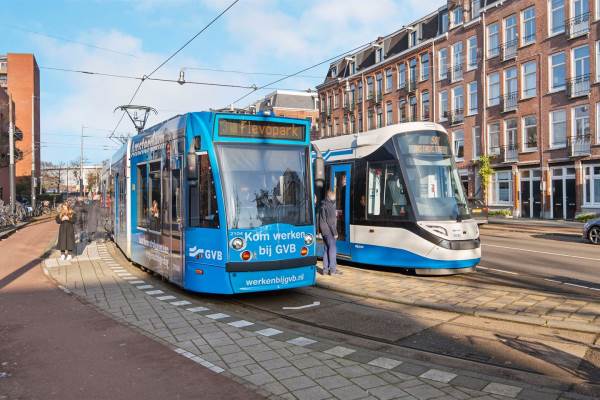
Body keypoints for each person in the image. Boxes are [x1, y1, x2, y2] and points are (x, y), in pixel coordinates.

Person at [318, 190, 342, 276]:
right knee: (332, 249)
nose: (335, 198)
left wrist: (319, 231)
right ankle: (332, 270)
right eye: (334, 196)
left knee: (326, 249)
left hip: (324, 231)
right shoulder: (330, 206)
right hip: (329, 231)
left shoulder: (322, 204)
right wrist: (335, 233)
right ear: (331, 196)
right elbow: (330, 221)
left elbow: (319, 218)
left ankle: (325, 270)